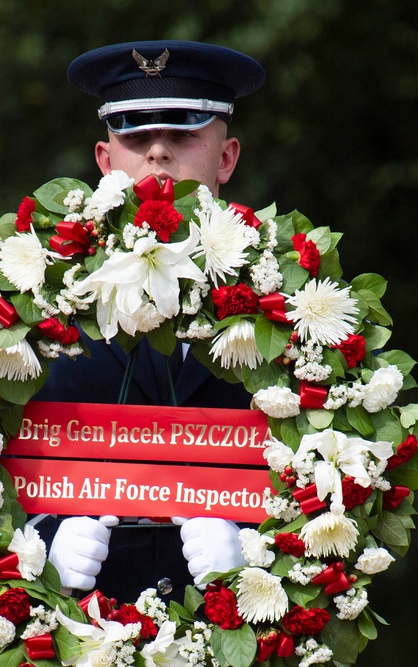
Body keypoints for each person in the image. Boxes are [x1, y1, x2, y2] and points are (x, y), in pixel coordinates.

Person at [34, 40, 266, 604]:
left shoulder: (279, 298)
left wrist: (255, 550)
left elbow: (326, 464)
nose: (158, 153)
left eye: (184, 134)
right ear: (105, 161)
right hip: (82, 628)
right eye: (135, 136)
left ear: (227, 157)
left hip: (235, 631)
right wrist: (38, 548)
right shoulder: (35, 296)